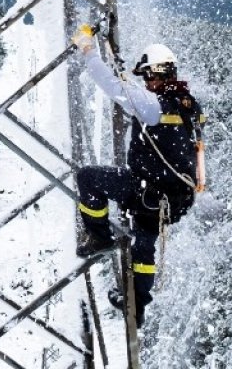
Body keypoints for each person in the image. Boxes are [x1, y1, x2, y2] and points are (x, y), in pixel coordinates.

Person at [69, 26, 207, 326]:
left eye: (147, 76)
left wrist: (89, 50)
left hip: (146, 191)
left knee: (88, 178)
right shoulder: (189, 105)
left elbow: (114, 87)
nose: (146, 81)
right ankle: (137, 305)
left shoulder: (151, 105)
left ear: (154, 74)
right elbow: (138, 97)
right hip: (174, 199)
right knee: (143, 244)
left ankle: (98, 235)